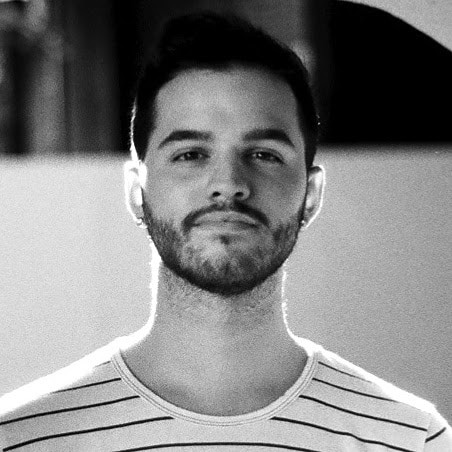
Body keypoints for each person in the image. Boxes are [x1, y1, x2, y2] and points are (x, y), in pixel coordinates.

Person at [1, 12, 451, 451]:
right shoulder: (21, 438)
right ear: (136, 192)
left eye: (264, 154)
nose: (229, 184)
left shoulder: (411, 438)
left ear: (311, 195)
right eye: (191, 154)